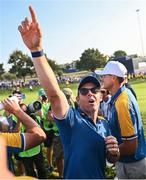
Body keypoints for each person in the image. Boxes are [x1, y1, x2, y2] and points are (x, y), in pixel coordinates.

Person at [18, 6, 119, 179]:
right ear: (78, 98)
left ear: (101, 95)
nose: (90, 94)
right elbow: (55, 96)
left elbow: (108, 161)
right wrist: (36, 51)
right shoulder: (72, 120)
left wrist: (113, 154)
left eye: (94, 90)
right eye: (84, 91)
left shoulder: (105, 125)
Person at [96, 60, 146, 179]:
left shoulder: (122, 103)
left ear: (113, 77)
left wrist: (107, 153)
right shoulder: (122, 95)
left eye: (104, 75)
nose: (102, 78)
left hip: (132, 166)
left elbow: (130, 146)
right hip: (131, 163)